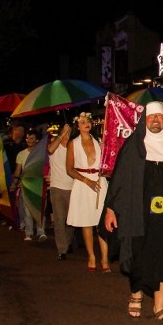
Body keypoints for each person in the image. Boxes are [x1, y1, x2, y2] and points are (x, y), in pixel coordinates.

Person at [104, 102, 163, 323]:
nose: (156, 120)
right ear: (144, 120)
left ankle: (159, 307)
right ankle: (136, 293)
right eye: (152, 116)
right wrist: (111, 209)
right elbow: (119, 180)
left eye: (160, 116)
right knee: (139, 253)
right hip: (139, 214)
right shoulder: (134, 146)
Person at [66, 112, 109, 272]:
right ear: (77, 126)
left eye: (88, 121)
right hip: (83, 184)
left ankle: (105, 258)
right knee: (87, 222)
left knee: (102, 222)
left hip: (99, 182)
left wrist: (105, 152)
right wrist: (87, 181)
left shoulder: (99, 141)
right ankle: (91, 256)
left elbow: (108, 163)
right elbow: (69, 169)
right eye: (82, 122)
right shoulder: (73, 143)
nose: (86, 124)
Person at [10, 129, 46, 242]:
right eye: (27, 138)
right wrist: (14, 183)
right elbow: (18, 170)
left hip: (39, 184)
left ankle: (41, 232)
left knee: (40, 209)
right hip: (26, 184)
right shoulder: (21, 154)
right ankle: (29, 233)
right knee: (27, 210)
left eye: (32, 138)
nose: (29, 140)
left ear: (37, 140)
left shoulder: (42, 153)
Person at [46, 122, 73, 259]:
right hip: (57, 187)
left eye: (69, 133)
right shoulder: (54, 147)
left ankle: (68, 243)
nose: (67, 136)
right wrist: (61, 134)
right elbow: (50, 150)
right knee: (59, 219)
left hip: (72, 187)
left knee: (71, 220)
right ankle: (62, 249)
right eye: (65, 133)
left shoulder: (73, 148)